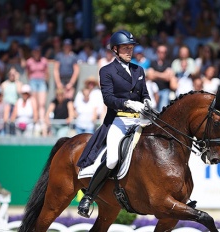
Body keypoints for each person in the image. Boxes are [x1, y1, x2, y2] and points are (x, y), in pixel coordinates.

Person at [76, 30, 151, 218]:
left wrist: (147, 101)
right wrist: (126, 103)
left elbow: (144, 93)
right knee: (112, 159)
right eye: (125, 48)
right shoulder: (107, 71)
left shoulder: (138, 70)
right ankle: (89, 196)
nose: (129, 51)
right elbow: (108, 99)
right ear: (115, 49)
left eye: (131, 47)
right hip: (119, 119)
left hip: (140, 119)